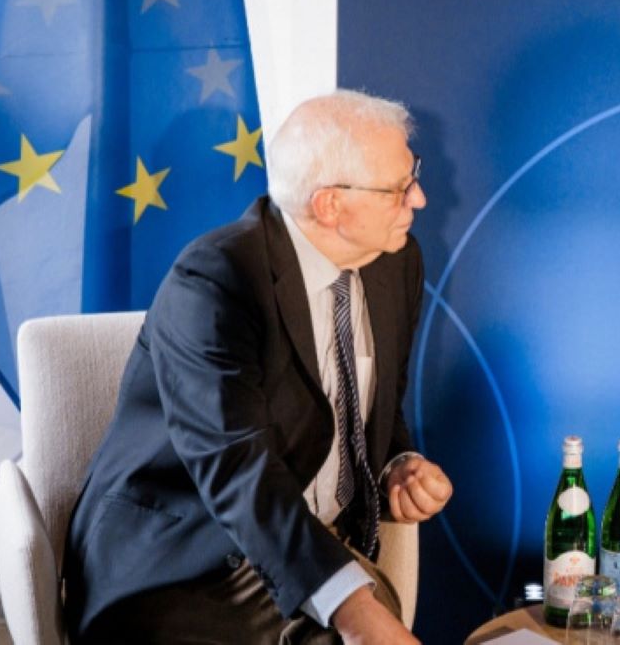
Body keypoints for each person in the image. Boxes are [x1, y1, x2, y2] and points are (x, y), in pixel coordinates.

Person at [64, 90, 452, 644]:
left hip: (305, 548)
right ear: (329, 205)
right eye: (398, 188)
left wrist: (398, 463)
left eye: (412, 175)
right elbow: (238, 471)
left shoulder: (396, 263)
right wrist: (358, 616)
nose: (419, 198)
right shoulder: (218, 280)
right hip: (186, 562)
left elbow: (373, 405)